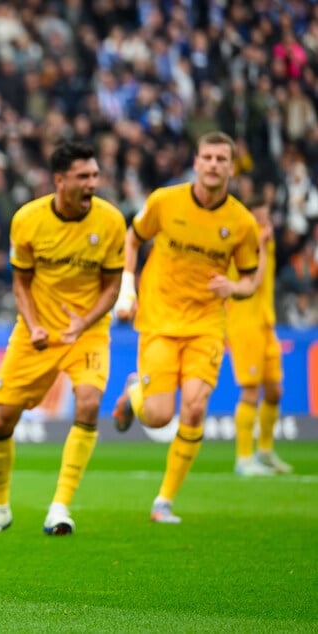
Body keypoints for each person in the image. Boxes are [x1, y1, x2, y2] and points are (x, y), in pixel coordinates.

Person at [0, 141, 126, 537]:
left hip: (87, 331)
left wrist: (84, 322)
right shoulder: (27, 219)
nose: (92, 183)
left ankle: (60, 507)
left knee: (89, 403)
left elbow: (112, 287)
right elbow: (20, 282)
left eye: (94, 175)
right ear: (60, 180)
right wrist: (35, 324)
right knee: (3, 420)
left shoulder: (110, 221)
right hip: (35, 333)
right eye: (83, 177)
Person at [112, 131, 261, 523]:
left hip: (207, 324)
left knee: (194, 409)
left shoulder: (241, 223)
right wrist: (127, 290)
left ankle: (163, 502)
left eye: (221, 160)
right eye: (207, 157)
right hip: (160, 318)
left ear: (231, 167)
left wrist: (235, 287)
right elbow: (133, 238)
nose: (214, 165)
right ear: (196, 162)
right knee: (159, 416)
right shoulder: (165, 201)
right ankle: (134, 393)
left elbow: (250, 278)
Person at [225, 196, 293, 476]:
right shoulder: (241, 245)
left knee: (275, 390)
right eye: (258, 218)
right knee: (251, 390)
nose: (264, 223)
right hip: (244, 323)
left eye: (266, 217)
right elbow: (253, 281)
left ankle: (265, 451)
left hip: (266, 322)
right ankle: (244, 458)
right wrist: (262, 246)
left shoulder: (266, 241)